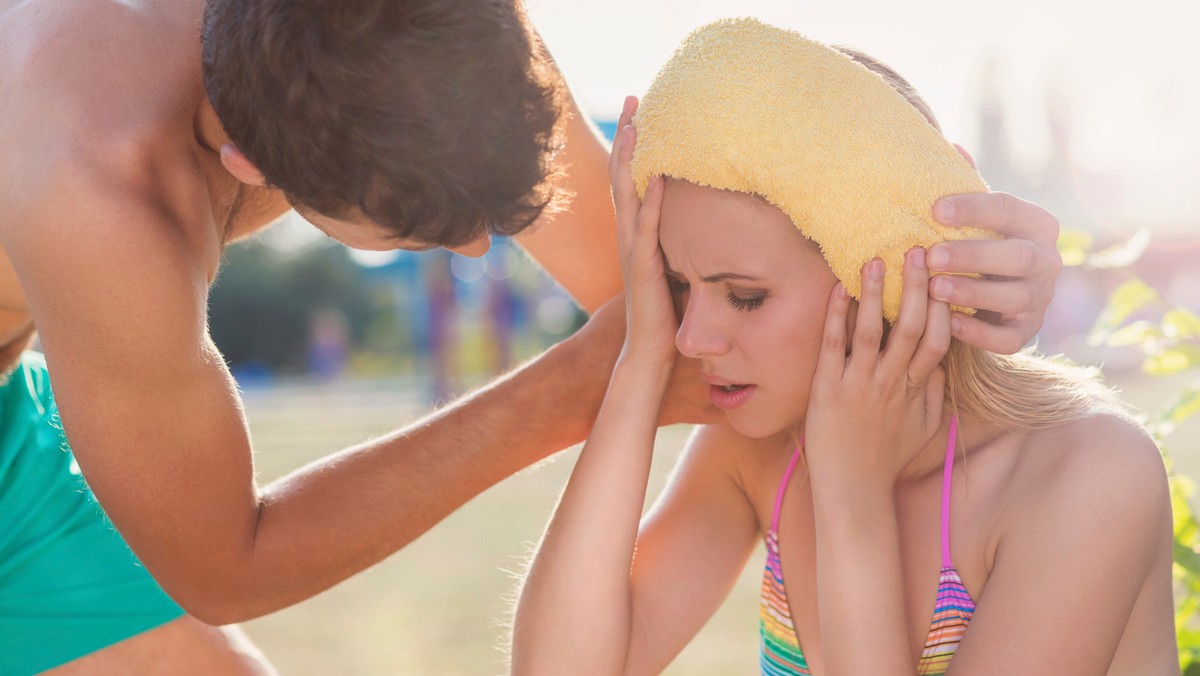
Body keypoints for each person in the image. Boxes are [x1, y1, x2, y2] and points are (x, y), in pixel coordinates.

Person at [0, 2, 1063, 673]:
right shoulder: (102, 194)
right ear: (244, 159)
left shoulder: (407, 31)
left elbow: (650, 282)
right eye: (427, 233)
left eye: (497, 209)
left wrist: (951, 254)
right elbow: (225, 564)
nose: (478, 249)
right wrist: (569, 393)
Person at [511, 19, 1176, 675]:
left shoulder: (1087, 476)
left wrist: (851, 503)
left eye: (744, 295)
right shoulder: (754, 446)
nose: (693, 337)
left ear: (880, 274)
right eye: (680, 285)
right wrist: (642, 359)